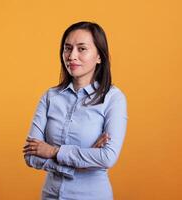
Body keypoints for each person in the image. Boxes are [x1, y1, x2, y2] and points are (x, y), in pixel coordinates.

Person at [23, 21, 128, 200]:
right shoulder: (50, 97)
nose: (71, 56)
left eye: (82, 49)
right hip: (50, 195)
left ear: (99, 56)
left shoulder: (113, 98)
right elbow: (31, 155)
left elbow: (107, 157)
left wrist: (53, 151)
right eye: (67, 48)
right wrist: (81, 161)